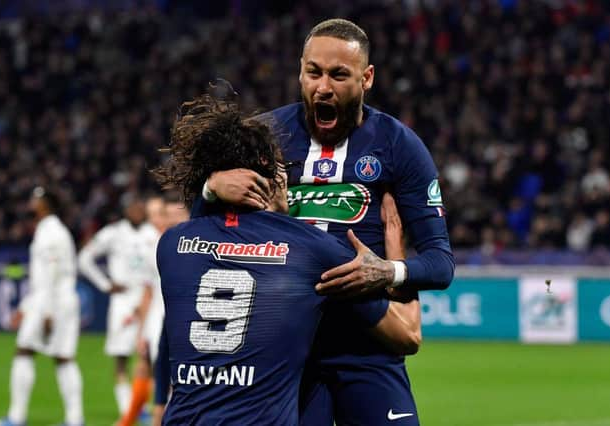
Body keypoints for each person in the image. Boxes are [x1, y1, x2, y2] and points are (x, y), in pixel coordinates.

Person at [198, 19, 454, 425]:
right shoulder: (263, 136)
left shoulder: (398, 145)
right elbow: (200, 227)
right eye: (313, 72)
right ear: (300, 69)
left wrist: (388, 270)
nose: (323, 87)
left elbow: (441, 265)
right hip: (286, 353)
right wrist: (211, 188)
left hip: (368, 349)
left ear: (366, 77)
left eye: (339, 75)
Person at [153, 94, 421, 425]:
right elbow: (408, 334)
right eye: (284, 167)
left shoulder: (172, 245)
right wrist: (394, 246)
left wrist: (210, 186)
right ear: (268, 175)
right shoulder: (310, 250)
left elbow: (203, 224)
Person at [0, 187, 83, 426]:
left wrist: (47, 312)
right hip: (52, 301)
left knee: (26, 350)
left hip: (54, 302)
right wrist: (26, 307)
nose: (32, 202)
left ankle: (17, 417)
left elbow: (52, 275)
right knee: (62, 357)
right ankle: (74, 419)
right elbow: (42, 277)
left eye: (37, 198)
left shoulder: (52, 232)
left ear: (46, 204)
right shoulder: (48, 230)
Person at [77, 194, 157, 416]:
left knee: (147, 354)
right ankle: (128, 410)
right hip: (122, 299)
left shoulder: (153, 233)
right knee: (121, 356)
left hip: (148, 297)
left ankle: (142, 405)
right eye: (133, 207)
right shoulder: (113, 233)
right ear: (125, 210)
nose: (137, 211)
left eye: (140, 206)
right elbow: (84, 258)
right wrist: (105, 284)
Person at [118, 195, 189, 426]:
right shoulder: (156, 247)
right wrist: (141, 330)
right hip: (156, 319)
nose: (170, 220)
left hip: (179, 319)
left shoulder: (195, 246)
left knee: (171, 377)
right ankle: (132, 419)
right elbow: (148, 290)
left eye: (175, 214)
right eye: (166, 215)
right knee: (147, 369)